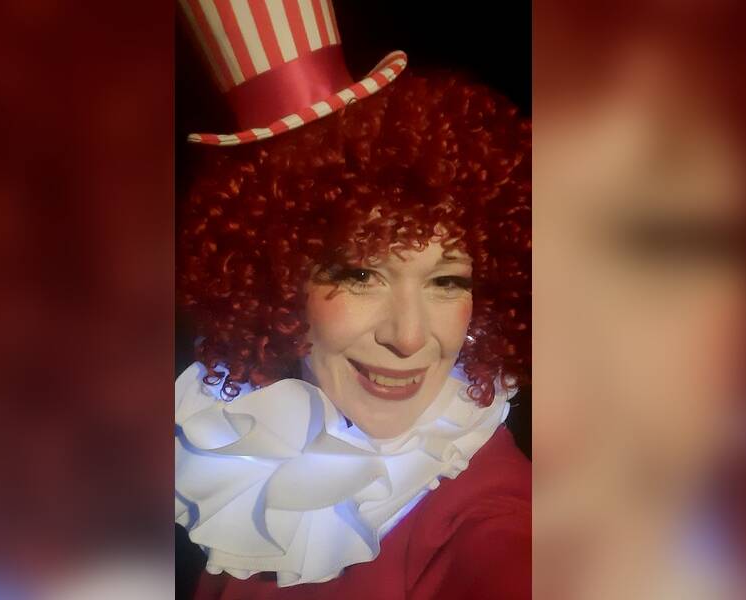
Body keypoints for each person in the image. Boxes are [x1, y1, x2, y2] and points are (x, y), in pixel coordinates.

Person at [174, 2, 532, 598]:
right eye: (363, 274)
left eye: (447, 281)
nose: (409, 338)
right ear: (276, 281)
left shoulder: (493, 522)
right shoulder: (242, 427)